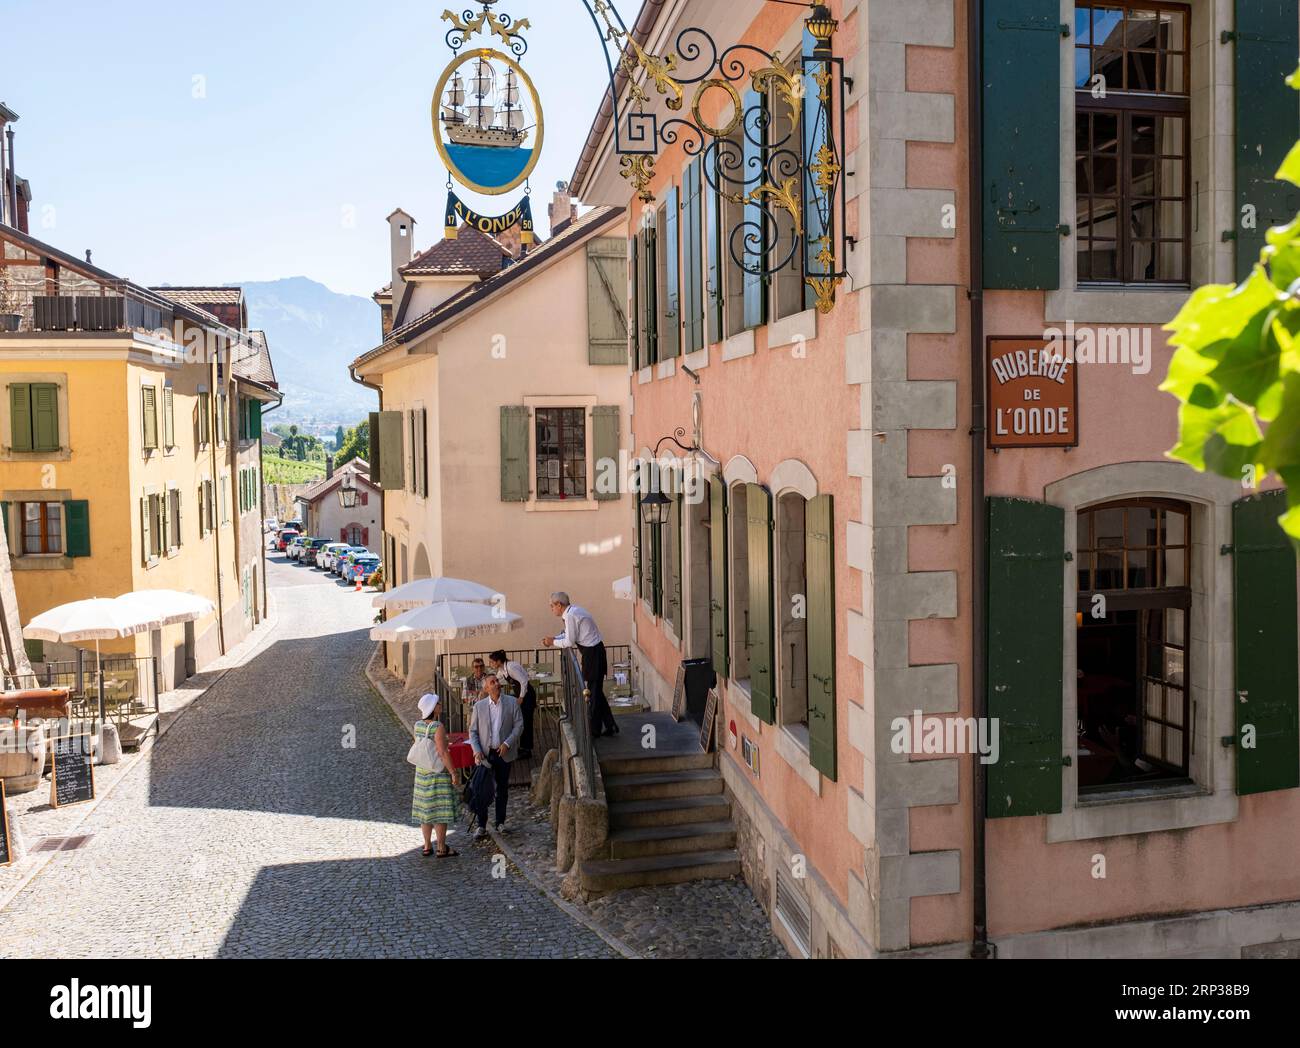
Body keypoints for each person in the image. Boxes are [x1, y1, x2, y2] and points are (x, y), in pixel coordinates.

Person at [542, 591, 618, 738]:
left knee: (593, 694)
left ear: (559, 604)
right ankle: (610, 725)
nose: (551, 609)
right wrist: (554, 639)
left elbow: (569, 641)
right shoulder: (574, 610)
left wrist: (552, 642)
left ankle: (594, 730)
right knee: (596, 692)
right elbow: (569, 635)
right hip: (594, 652)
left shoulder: (570, 615)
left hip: (593, 654)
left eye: (552, 606)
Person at [467, 674, 524, 838]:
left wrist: (507, 743)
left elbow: (519, 725)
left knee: (502, 789)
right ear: (486, 688)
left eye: (497, 681)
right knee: (481, 790)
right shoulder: (479, 707)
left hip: (503, 753)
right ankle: (481, 825)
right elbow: (473, 732)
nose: (497, 684)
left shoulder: (512, 702)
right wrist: (476, 750)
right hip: (485, 754)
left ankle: (500, 822)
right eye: (493, 682)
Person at [411, 693, 460, 858]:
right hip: (437, 773)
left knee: (425, 810)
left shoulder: (417, 725)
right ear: (433, 708)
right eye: (438, 703)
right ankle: (441, 847)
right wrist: (453, 772)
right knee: (439, 810)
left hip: (422, 772)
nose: (440, 705)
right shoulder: (437, 727)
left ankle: (426, 846)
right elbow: (442, 752)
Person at [490, 649, 535, 759]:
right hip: (522, 697)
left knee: (526, 722)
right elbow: (496, 678)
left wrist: (521, 697)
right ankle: (523, 747)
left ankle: (527, 750)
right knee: (521, 721)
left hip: (527, 696)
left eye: (492, 662)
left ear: (499, 661)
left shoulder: (510, 667)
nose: (491, 664)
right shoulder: (502, 669)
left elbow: (524, 681)